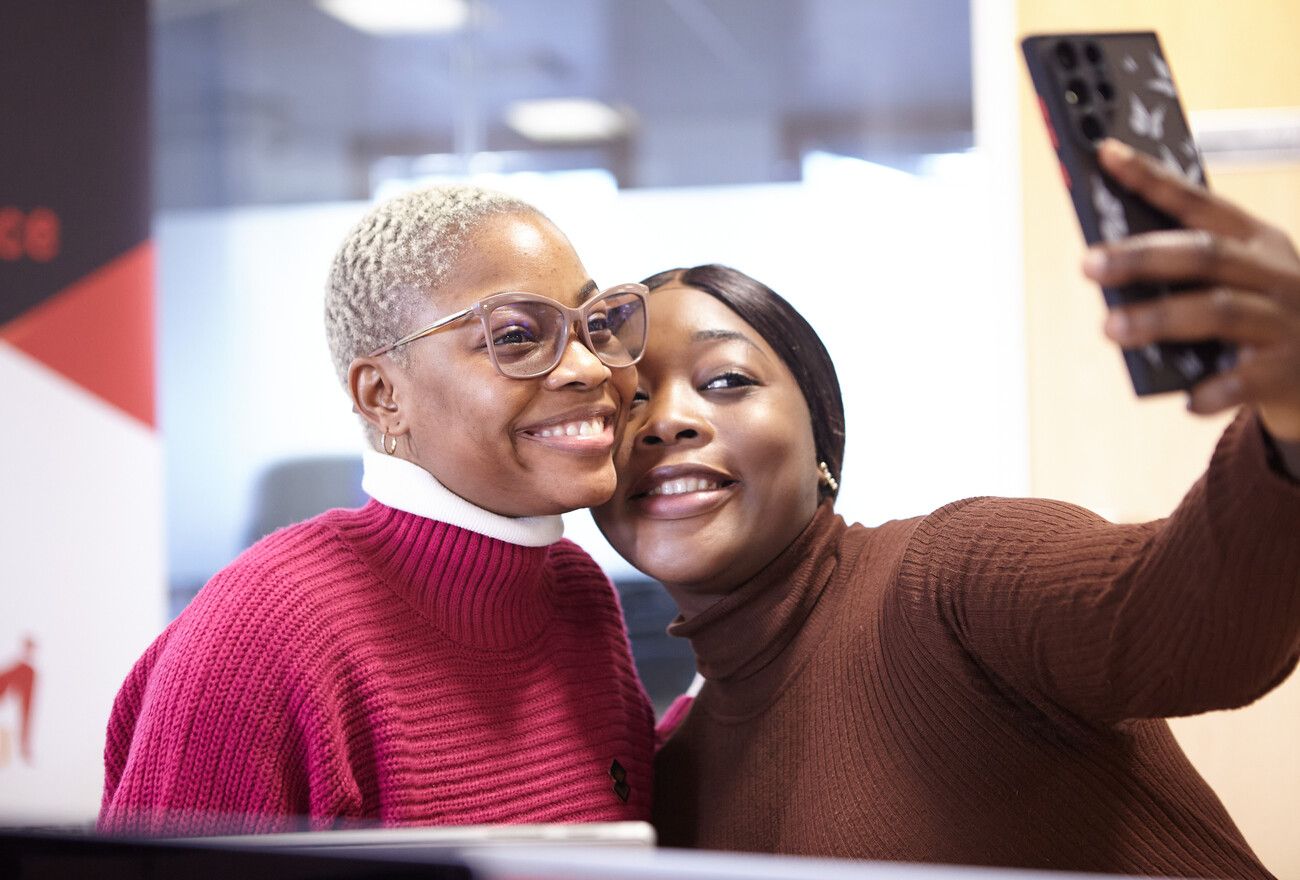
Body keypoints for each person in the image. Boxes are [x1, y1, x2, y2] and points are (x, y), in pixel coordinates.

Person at [592, 140, 1300, 878]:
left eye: (727, 380)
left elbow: (1185, 630)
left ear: (823, 440)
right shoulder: (670, 788)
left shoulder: (948, 578)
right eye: (628, 399)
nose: (666, 420)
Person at [100, 185, 655, 835]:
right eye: (515, 335)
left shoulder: (577, 591)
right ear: (383, 394)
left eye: (595, 324)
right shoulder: (264, 633)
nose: (588, 367)